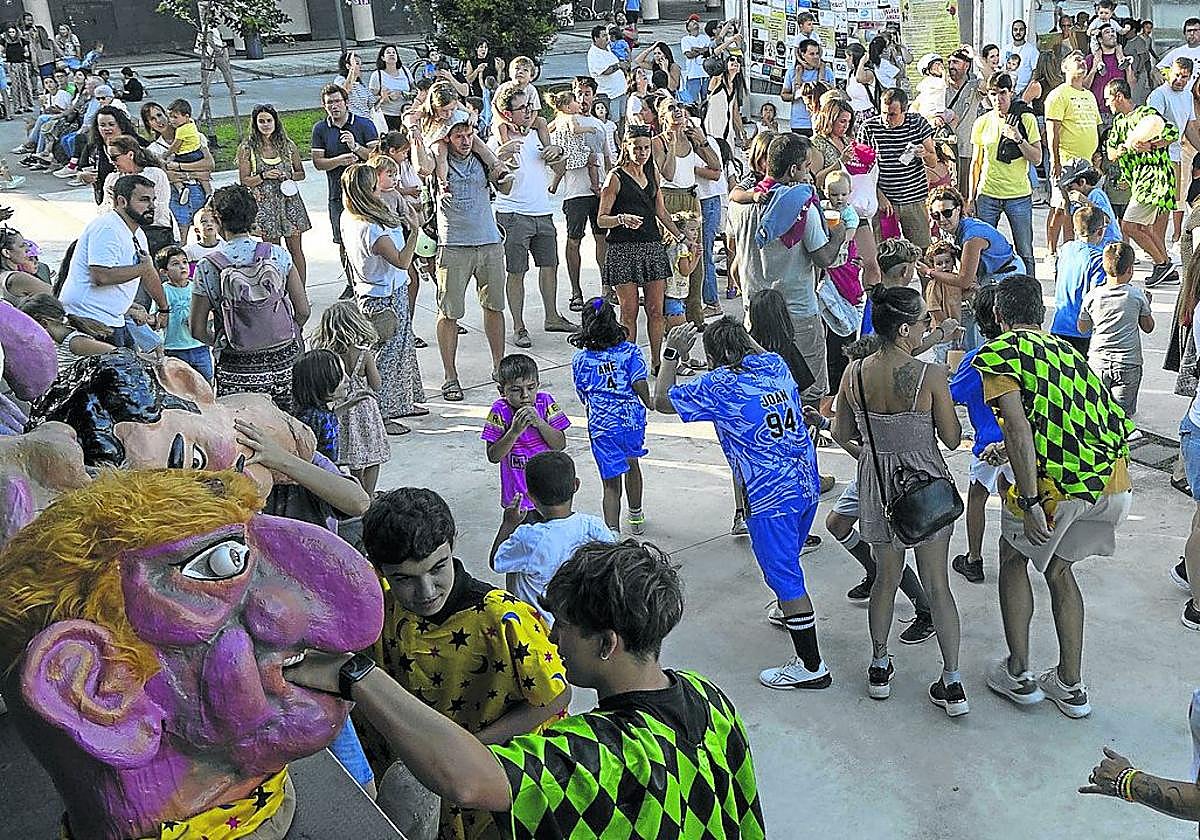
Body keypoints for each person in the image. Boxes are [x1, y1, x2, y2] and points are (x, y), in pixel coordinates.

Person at [282, 538, 766, 840]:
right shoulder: (709, 698)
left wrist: (354, 675)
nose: (553, 637)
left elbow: (465, 781)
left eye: (566, 627)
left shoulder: (597, 752)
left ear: (606, 644)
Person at [974, 273, 1135, 719]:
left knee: (1012, 558)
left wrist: (1027, 503)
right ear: (1040, 313)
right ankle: (1070, 684)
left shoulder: (1000, 352)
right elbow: (1064, 421)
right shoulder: (1067, 351)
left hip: (1058, 490)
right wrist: (1006, 447)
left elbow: (1022, 431)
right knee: (1060, 571)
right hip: (1113, 482)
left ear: (1000, 315)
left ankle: (1020, 674)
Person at [655, 318, 828, 689]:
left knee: (784, 575)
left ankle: (812, 666)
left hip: (769, 497)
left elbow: (660, 400)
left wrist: (672, 354)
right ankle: (787, 611)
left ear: (716, 356)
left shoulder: (720, 385)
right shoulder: (776, 366)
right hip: (805, 484)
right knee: (789, 559)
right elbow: (757, 351)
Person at [830, 285, 966, 713]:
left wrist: (874, 456)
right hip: (924, 485)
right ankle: (952, 680)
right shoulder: (930, 376)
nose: (928, 325)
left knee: (885, 581)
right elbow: (951, 437)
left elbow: (840, 434)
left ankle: (878, 665)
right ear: (905, 328)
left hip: (878, 486)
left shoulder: (853, 373)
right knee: (938, 585)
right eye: (925, 320)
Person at [727, 132, 845, 405]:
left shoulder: (740, 206)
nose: (809, 174)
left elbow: (735, 257)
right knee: (810, 391)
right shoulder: (801, 205)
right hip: (798, 313)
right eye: (806, 167)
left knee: (765, 391)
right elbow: (824, 258)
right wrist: (839, 234)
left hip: (755, 313)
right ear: (794, 169)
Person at [190, 184, 309, 410]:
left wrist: (223, 341)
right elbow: (303, 310)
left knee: (244, 433)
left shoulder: (208, 266)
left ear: (218, 219)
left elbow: (196, 329)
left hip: (237, 367)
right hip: (285, 361)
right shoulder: (278, 254)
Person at [338, 162, 425, 430]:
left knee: (402, 348)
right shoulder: (370, 229)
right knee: (386, 356)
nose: (379, 190)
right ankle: (382, 413)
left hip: (378, 291)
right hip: (382, 298)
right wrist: (415, 231)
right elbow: (401, 260)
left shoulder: (348, 216)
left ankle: (403, 401)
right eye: (374, 187)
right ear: (366, 191)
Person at [489, 86, 576, 348]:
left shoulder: (539, 134)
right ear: (507, 113)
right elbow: (496, 181)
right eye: (522, 108)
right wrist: (501, 159)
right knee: (516, 271)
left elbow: (559, 169)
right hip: (513, 214)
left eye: (529, 106)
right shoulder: (497, 142)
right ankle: (518, 326)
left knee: (550, 265)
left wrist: (558, 155)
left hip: (542, 211)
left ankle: (552, 316)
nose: (528, 111)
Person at [434, 113, 510, 402]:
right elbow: (423, 164)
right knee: (450, 312)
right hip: (453, 244)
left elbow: (503, 183)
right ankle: (450, 376)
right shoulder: (438, 159)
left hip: (489, 241)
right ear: (447, 138)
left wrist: (502, 168)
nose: (465, 141)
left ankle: (499, 366)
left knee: (494, 307)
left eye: (469, 135)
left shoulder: (481, 157)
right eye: (458, 136)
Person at [490, 450, 616, 620]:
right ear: (576, 485)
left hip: (538, 630)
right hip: (578, 622)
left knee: (515, 565)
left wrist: (508, 524)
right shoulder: (593, 526)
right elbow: (615, 560)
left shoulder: (528, 538)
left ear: (531, 497)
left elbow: (497, 561)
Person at [599, 124, 683, 372]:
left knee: (657, 310)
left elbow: (661, 211)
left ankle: (657, 361)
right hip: (623, 249)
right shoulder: (615, 177)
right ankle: (630, 364)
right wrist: (621, 219)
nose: (642, 153)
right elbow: (601, 219)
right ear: (626, 146)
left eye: (646, 147)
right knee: (629, 311)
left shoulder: (652, 172)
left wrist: (680, 237)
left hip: (651, 245)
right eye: (637, 148)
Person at [59, 174, 169, 349]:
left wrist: (164, 309)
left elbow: (148, 272)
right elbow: (101, 276)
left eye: (153, 200)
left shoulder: (137, 233)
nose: (152, 206)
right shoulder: (107, 228)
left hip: (112, 317)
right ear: (122, 201)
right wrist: (142, 268)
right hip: (89, 317)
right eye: (144, 200)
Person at [570, 297, 651, 533]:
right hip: (631, 421)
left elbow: (583, 393)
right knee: (632, 463)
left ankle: (612, 532)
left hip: (602, 424)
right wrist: (649, 402)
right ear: (613, 321)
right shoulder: (630, 351)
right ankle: (635, 517)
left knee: (610, 483)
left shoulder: (581, 360)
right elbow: (639, 383)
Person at [948, 285, 1010, 584]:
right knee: (1019, 495)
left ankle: (973, 558)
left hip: (988, 444)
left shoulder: (974, 358)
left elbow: (954, 395)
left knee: (977, 497)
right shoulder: (1018, 352)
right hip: (1020, 441)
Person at [922, 186, 1023, 350]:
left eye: (947, 212)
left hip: (1006, 275)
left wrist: (930, 272)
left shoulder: (972, 236)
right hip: (989, 272)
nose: (941, 219)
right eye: (935, 215)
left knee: (994, 328)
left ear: (959, 209)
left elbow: (964, 280)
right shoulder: (952, 228)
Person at [309, 301, 391, 495]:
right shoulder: (364, 354)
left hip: (339, 406)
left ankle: (355, 494)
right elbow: (377, 384)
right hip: (364, 407)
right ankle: (368, 495)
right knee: (372, 455)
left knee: (351, 458)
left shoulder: (328, 356)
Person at [1105, 77, 1180, 286]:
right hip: (1139, 181)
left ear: (1119, 96)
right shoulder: (1119, 122)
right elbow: (1110, 152)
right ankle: (1167, 267)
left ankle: (1161, 265)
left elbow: (1172, 132)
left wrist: (1152, 145)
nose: (1107, 103)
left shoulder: (1145, 114)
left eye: (1108, 99)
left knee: (1128, 225)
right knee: (1146, 229)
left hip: (1154, 177)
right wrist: (1119, 150)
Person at [653, 97, 719, 330]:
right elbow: (668, 174)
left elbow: (716, 167)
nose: (678, 111)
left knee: (695, 257)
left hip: (691, 199)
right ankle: (670, 314)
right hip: (669, 199)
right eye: (671, 108)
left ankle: (694, 314)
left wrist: (701, 141)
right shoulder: (657, 142)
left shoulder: (692, 139)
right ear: (662, 117)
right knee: (671, 259)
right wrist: (671, 143)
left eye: (679, 106)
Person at [970, 72, 1041, 280]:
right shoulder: (982, 122)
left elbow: (1037, 158)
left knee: (1025, 251)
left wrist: (1018, 139)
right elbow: (976, 162)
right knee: (981, 249)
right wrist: (970, 197)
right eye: (993, 94)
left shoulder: (1025, 118)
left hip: (1018, 195)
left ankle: (1030, 293)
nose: (998, 99)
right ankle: (982, 293)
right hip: (987, 194)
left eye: (1002, 93)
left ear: (1010, 92)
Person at [483, 352, 570, 521]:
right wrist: (514, 431)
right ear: (502, 391)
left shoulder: (545, 403)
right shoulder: (499, 411)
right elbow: (493, 456)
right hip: (518, 499)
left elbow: (560, 444)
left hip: (548, 495)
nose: (525, 395)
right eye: (516, 390)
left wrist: (540, 422)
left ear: (538, 385)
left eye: (531, 388)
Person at [311, 83, 379, 291]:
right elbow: (318, 162)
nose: (334, 106)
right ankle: (352, 283)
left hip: (367, 194)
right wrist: (339, 160)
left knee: (371, 239)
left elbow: (377, 158)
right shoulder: (320, 129)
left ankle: (371, 280)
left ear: (346, 103)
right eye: (329, 103)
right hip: (338, 195)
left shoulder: (364, 124)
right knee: (343, 241)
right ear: (324, 106)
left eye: (337, 101)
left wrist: (356, 147)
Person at [1077, 241, 1154, 416]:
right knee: (1122, 416)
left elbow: (1082, 328)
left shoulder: (1093, 295)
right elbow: (1148, 327)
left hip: (1098, 362)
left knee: (1097, 412)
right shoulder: (1137, 296)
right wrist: (1147, 306)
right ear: (1130, 269)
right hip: (1128, 363)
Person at [238, 103, 311, 284]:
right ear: (255, 124)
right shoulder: (247, 148)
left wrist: (289, 175)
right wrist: (263, 176)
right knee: (272, 252)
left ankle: (300, 290)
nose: (265, 125)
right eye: (261, 121)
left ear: (275, 122)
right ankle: (279, 289)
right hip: (265, 207)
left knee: (296, 250)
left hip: (289, 204)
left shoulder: (288, 145)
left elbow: (301, 173)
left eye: (269, 120)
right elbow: (244, 179)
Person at [857, 87, 936, 248]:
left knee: (922, 249)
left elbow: (933, 161)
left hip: (914, 199)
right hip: (886, 202)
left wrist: (925, 154)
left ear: (904, 110)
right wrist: (879, 196)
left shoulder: (918, 123)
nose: (886, 119)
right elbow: (862, 171)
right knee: (887, 252)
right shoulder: (868, 128)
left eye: (892, 114)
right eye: (883, 113)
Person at [1044, 50, 1102, 259]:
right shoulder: (1058, 95)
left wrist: (1096, 155)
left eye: (1083, 59)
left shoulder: (1089, 95)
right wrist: (1055, 161)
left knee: (1080, 208)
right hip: (1066, 161)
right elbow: (1053, 131)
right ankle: (1053, 251)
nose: (1082, 63)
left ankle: (1074, 249)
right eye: (1076, 59)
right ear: (1064, 67)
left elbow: (1095, 127)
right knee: (1061, 208)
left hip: (1086, 162)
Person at [141, 101, 215, 241]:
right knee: (181, 236)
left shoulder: (194, 136)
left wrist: (179, 168)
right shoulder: (153, 150)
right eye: (152, 119)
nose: (159, 121)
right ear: (149, 124)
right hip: (176, 195)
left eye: (159, 115)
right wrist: (197, 173)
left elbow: (209, 164)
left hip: (198, 189)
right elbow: (167, 176)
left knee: (207, 233)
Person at [1148, 58, 1200, 246]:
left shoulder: (1187, 96)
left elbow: (1189, 127)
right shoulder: (1159, 94)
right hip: (1158, 157)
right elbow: (1152, 126)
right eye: (1176, 74)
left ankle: (1160, 249)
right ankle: (1157, 248)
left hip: (1176, 156)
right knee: (1157, 206)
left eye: (1184, 77)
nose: (1179, 79)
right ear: (1170, 72)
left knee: (1168, 206)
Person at [99, 135, 174, 256]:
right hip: (122, 233)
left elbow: (159, 207)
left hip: (155, 232)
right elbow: (105, 208)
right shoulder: (112, 179)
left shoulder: (155, 174)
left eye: (114, 157)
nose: (111, 162)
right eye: (109, 157)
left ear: (130, 155)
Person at [1050, 205, 1110, 355]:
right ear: (1101, 231)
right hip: (1082, 331)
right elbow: (1097, 296)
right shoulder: (1098, 259)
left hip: (1059, 324)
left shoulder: (1065, 249)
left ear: (1075, 230)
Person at [152, 245, 212, 382]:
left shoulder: (197, 288)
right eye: (175, 264)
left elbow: (210, 311)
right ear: (164, 271)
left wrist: (201, 318)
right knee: (180, 388)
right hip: (174, 349)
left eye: (184, 262)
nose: (182, 266)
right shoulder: (162, 291)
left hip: (200, 347)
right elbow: (158, 320)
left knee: (206, 384)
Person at [18, 292, 114, 376]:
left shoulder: (76, 342)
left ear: (44, 323)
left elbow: (117, 354)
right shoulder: (53, 342)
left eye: (28, 329)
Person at [781, 39, 834, 136]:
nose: (816, 57)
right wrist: (797, 94)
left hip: (821, 122)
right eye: (811, 54)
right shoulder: (792, 72)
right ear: (802, 55)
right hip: (800, 124)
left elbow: (832, 96)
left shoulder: (827, 71)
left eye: (817, 53)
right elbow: (784, 95)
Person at [1084, 22, 1135, 124]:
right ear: (1100, 39)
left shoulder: (1122, 60)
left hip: (1120, 113)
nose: (1112, 34)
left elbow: (1132, 86)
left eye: (1113, 32)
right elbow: (1084, 87)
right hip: (1097, 113)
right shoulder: (1090, 59)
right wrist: (1094, 69)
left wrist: (1128, 68)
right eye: (1107, 32)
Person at [588, 26, 629, 127]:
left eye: (607, 35)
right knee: (614, 123)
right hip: (610, 95)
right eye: (603, 36)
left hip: (621, 91)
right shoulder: (594, 54)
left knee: (623, 119)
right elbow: (605, 71)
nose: (607, 38)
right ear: (595, 39)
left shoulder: (608, 48)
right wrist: (619, 65)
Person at [703, 53, 746, 148]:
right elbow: (710, 60)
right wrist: (732, 40)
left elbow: (735, 113)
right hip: (713, 126)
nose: (736, 62)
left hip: (727, 127)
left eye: (738, 61)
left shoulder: (734, 87)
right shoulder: (717, 79)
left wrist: (742, 132)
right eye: (732, 59)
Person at [370, 44, 413, 131]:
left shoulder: (405, 71)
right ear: (383, 58)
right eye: (388, 53)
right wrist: (384, 97)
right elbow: (371, 99)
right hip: (387, 116)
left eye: (394, 52)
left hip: (406, 113)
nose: (392, 54)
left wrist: (403, 94)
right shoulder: (377, 75)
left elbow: (415, 90)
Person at [680, 14, 712, 104]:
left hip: (705, 74)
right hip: (693, 74)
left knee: (707, 99)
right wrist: (702, 50)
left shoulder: (705, 38)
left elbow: (708, 51)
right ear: (688, 27)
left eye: (696, 22)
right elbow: (689, 55)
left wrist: (696, 49)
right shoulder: (685, 39)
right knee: (692, 100)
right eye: (693, 22)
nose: (696, 24)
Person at [1003, 20, 1040, 95]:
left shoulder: (1032, 50)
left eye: (1021, 29)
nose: (1018, 32)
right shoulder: (1005, 49)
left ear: (1025, 31)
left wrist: (1026, 91)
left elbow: (1035, 73)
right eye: (1015, 29)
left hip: (1022, 93)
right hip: (1006, 92)